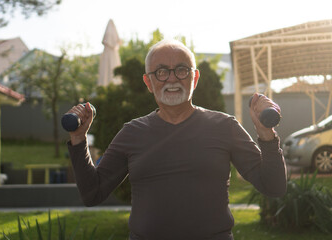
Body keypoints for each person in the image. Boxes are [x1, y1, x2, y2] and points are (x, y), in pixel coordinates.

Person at [66, 39, 287, 240]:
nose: (172, 78)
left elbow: (274, 186)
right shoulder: (132, 133)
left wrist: (266, 134)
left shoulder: (224, 126)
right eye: (161, 71)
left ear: (195, 77)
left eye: (181, 70)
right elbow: (92, 194)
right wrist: (78, 139)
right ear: (148, 82)